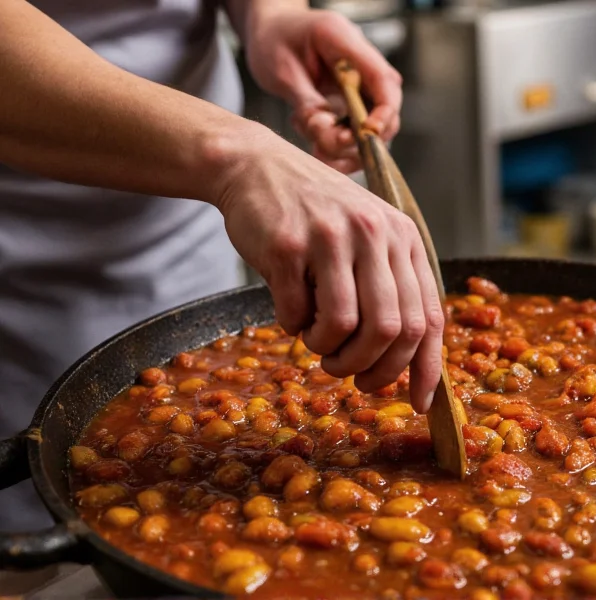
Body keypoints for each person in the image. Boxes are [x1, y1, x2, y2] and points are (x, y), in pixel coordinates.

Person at [0, 0, 444, 533]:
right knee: (45, 509)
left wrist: (271, 17)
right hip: (21, 251)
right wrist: (241, 158)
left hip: (191, 216)